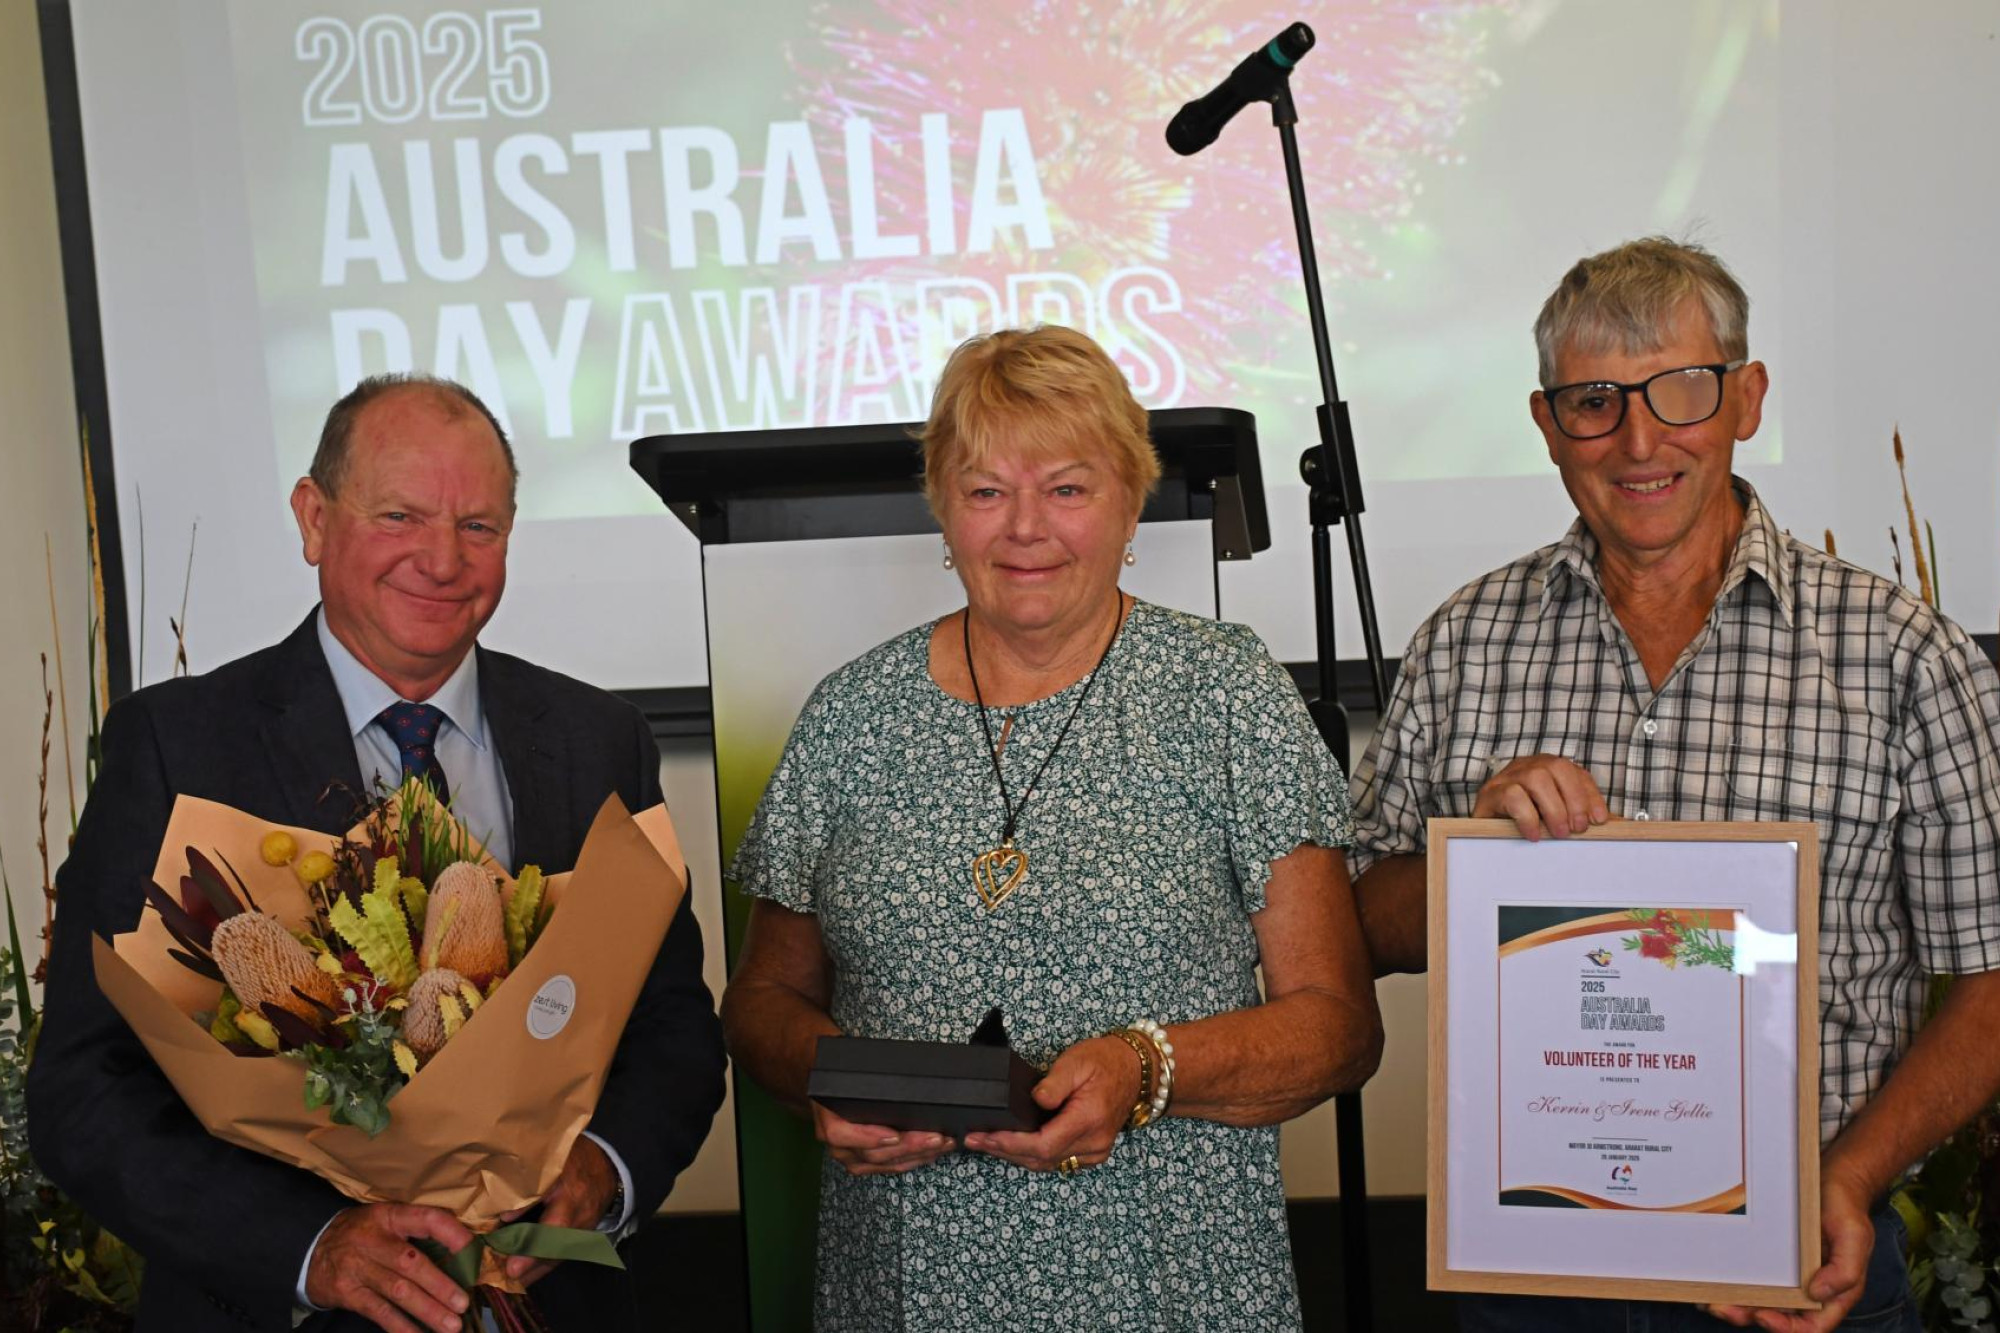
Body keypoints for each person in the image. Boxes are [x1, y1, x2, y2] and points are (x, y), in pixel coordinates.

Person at [1348, 237, 2000, 1332]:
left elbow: (1987, 987)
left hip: (1800, 1263)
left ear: (1744, 399)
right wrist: (1475, 852)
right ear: (1545, 422)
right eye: (1593, 401)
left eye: (1679, 392)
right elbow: (1360, 925)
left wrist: (1842, 1180)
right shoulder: (1462, 641)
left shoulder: (1899, 655)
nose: (1638, 440)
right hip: (1529, 1278)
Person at [28, 374, 727, 1333]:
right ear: (314, 519)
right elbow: (81, 1087)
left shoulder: (598, 738)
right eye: (400, 514)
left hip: (548, 1298)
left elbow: (674, 1032)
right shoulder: (176, 746)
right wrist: (313, 1249)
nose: (442, 560)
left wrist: (604, 1168)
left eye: (479, 526)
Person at [721, 324, 1383, 1331]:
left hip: (1169, 1287)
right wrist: (829, 1082)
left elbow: (1337, 1026)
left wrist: (1143, 1065)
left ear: (1129, 502)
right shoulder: (850, 716)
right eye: (986, 491)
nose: (1023, 527)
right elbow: (763, 997)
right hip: (906, 1287)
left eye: (1066, 488)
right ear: (942, 510)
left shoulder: (1225, 694)